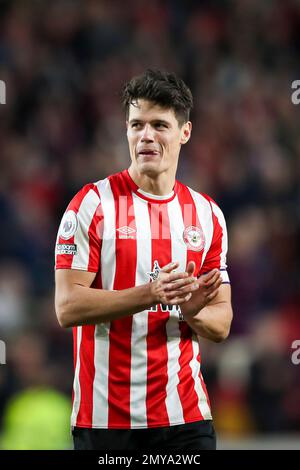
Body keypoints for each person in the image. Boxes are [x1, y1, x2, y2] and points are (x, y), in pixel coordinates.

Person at [54, 69, 233, 451]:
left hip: (186, 418)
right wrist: (152, 293)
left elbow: (221, 324)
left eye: (159, 125)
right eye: (137, 125)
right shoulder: (91, 205)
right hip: (106, 420)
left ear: (184, 132)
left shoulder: (207, 214)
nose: (146, 136)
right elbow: (67, 307)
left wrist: (191, 310)